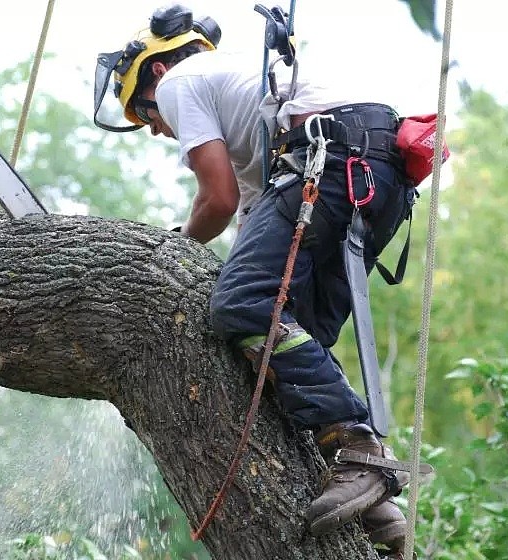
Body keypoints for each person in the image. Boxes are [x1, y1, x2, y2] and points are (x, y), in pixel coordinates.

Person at [94, 5, 420, 555]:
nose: (157, 129)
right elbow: (248, 215)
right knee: (294, 338)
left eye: (146, 117)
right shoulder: (248, 97)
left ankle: (360, 447)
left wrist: (170, 249)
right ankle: (374, 498)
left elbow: (216, 200)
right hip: (376, 172)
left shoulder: (180, 82)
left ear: (152, 73)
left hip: (331, 159)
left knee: (240, 306)